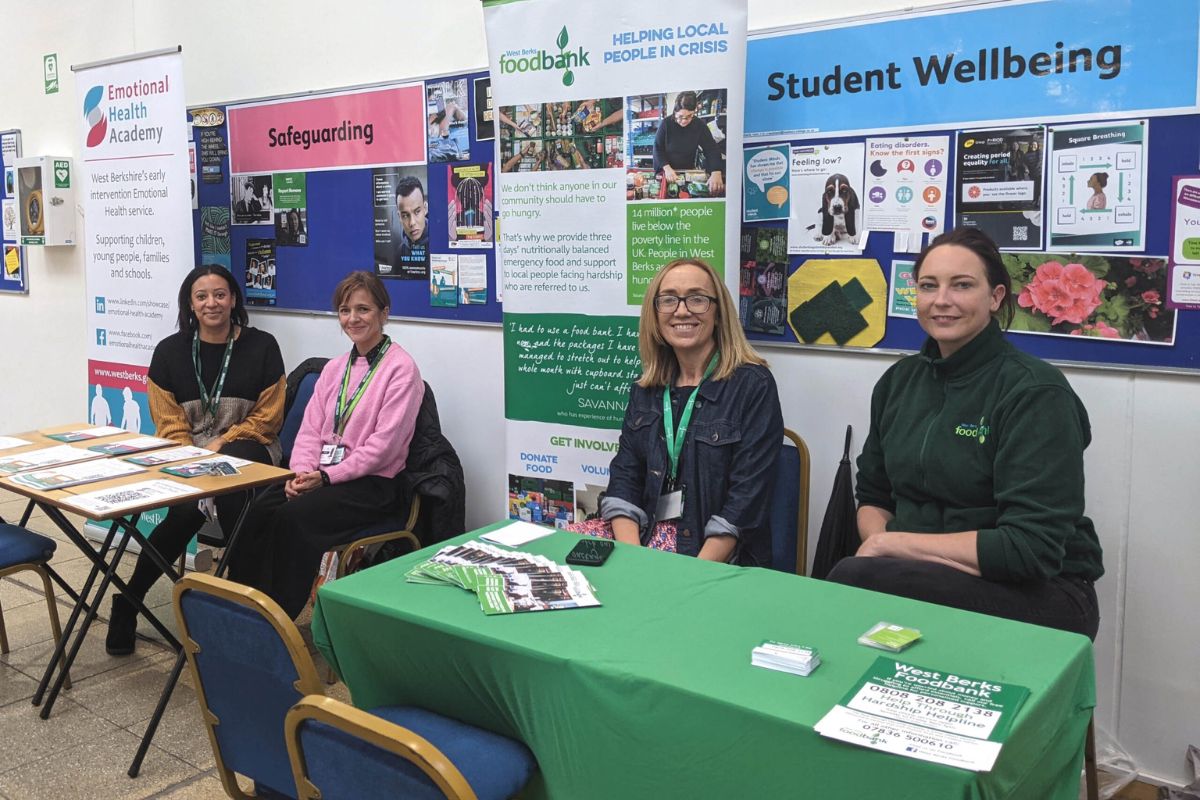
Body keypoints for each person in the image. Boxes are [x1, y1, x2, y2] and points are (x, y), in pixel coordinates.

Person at [827, 227, 1104, 639]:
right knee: (850, 587)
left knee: (853, 578)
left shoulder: (1035, 392)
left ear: (995, 297)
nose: (941, 300)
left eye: (962, 285)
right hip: (916, 574)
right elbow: (873, 496)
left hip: (1039, 590)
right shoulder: (898, 382)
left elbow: (1030, 549)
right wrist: (886, 546)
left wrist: (894, 546)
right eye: (928, 286)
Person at [106, 264, 285, 655]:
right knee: (185, 512)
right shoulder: (169, 352)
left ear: (233, 299)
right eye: (201, 296)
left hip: (248, 445)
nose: (211, 303)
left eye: (220, 294)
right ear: (190, 304)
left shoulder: (262, 346)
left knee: (238, 494)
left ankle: (241, 607)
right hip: (187, 452)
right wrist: (194, 457)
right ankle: (129, 601)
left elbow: (268, 418)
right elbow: (169, 423)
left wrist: (222, 443)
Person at [230, 271, 423, 618]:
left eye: (363, 309)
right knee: (258, 510)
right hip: (319, 476)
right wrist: (301, 473)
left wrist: (327, 477)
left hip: (372, 485)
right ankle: (238, 607)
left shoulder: (401, 369)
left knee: (293, 518)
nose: (353, 319)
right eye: (345, 310)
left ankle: (275, 618)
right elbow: (309, 432)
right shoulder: (335, 369)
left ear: (384, 313)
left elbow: (385, 447)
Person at [602, 258, 782, 566]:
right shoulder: (645, 388)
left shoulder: (753, 386)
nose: (682, 310)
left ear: (718, 313)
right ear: (655, 314)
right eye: (668, 299)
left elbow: (745, 503)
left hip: (716, 561)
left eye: (697, 299)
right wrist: (634, 560)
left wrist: (690, 576)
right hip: (646, 546)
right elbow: (625, 479)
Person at [652, 91, 724, 195]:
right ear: (675, 111)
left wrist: (716, 171)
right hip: (665, 169)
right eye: (680, 116)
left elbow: (711, 149)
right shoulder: (666, 124)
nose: (684, 120)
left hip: (686, 170)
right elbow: (657, 148)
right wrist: (666, 168)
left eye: (690, 116)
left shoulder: (699, 125)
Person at [395, 176, 429, 268]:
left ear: (425, 208)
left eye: (417, 212)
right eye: (405, 215)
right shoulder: (399, 252)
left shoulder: (438, 243)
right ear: (399, 217)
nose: (412, 223)